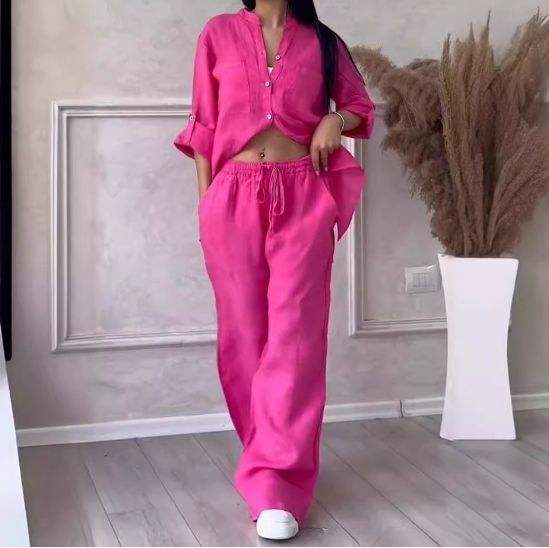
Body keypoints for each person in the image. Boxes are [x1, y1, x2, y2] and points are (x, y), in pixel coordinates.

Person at [174, 0, 375, 540]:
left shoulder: (322, 41)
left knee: (295, 340)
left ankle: (278, 487)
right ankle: (266, 461)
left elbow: (359, 106)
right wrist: (207, 206)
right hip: (232, 198)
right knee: (243, 340)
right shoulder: (217, 34)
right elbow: (203, 125)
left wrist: (334, 119)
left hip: (302, 195)